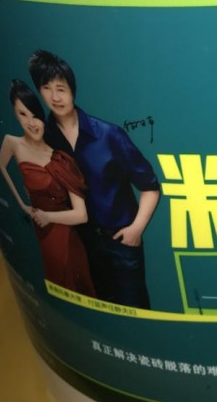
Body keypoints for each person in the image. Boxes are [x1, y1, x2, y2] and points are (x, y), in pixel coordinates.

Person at [28, 49, 160, 310]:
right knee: (94, 309)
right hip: (79, 243)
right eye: (46, 89)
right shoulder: (45, 140)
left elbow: (150, 186)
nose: (55, 97)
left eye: (61, 89)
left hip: (120, 240)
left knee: (134, 312)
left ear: (73, 90)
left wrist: (136, 229)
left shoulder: (109, 135)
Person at [0, 79, 96, 297]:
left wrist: (48, 217)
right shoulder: (12, 143)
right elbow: (1, 166)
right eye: (23, 114)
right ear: (15, 114)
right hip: (41, 232)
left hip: (65, 238)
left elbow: (81, 215)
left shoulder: (61, 159)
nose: (31, 123)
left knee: (70, 287)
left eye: (35, 115)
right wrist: (22, 204)